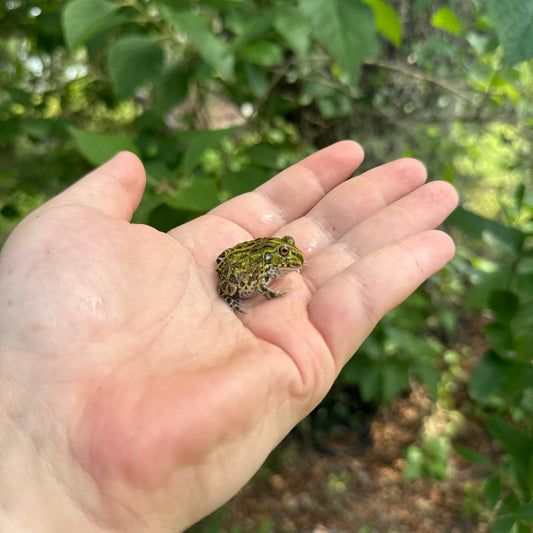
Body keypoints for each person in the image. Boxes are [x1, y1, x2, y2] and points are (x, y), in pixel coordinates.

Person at [0, 141, 458, 532]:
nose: (293, 260)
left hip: (232, 259)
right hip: (235, 274)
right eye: (287, 256)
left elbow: (247, 258)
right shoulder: (265, 271)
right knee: (243, 285)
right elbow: (248, 274)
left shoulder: (278, 258)